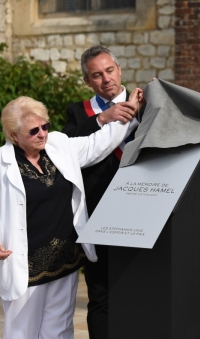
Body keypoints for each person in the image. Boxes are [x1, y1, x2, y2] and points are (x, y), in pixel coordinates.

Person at [0, 94, 140, 339]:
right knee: (21, 333)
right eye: (33, 131)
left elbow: (99, 143)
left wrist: (130, 112)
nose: (42, 134)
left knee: (59, 332)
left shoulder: (58, 145)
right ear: (14, 135)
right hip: (25, 265)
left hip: (65, 260)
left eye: (45, 126)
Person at [62, 45, 139, 338]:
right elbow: (66, 146)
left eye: (109, 71)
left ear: (119, 70)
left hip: (139, 209)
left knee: (137, 290)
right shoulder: (79, 112)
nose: (106, 79)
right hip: (96, 213)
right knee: (101, 294)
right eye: (97, 75)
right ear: (88, 82)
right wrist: (103, 119)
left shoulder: (144, 103)